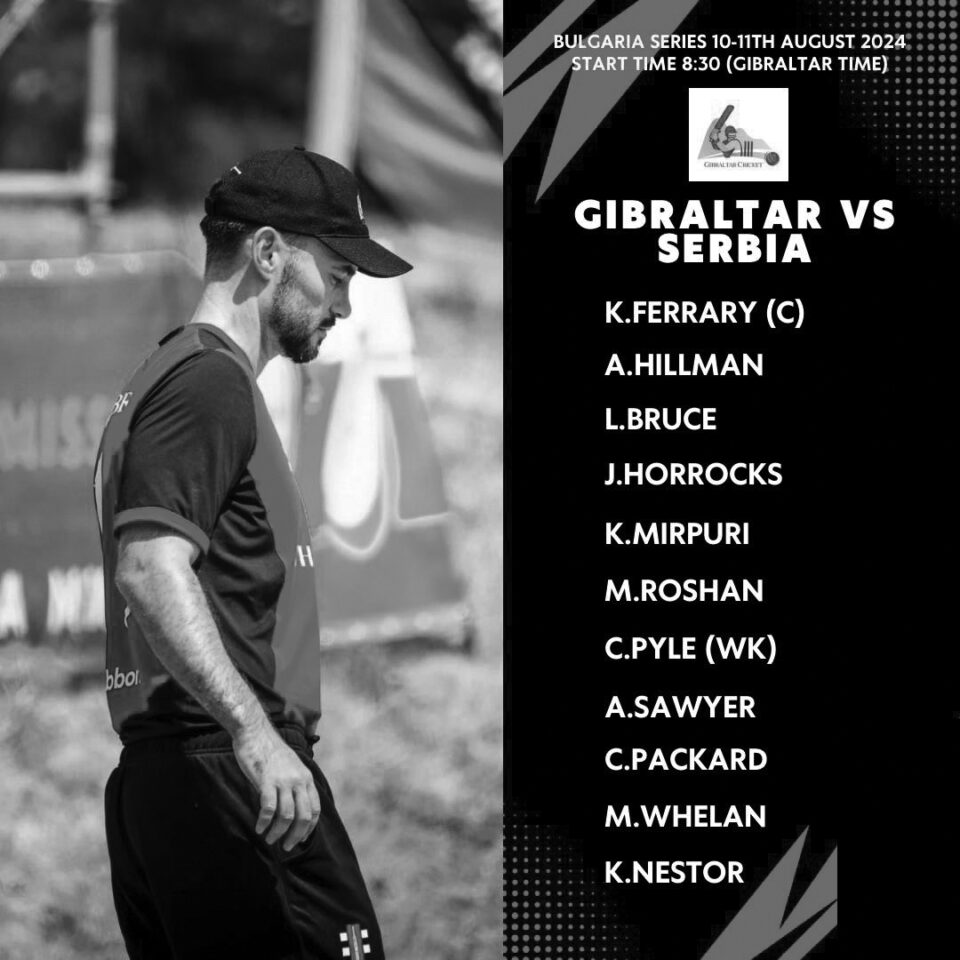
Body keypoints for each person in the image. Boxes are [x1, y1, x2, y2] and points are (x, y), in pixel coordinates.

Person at [93, 147, 412, 959]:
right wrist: (254, 735)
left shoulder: (175, 375)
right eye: (337, 276)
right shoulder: (208, 382)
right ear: (269, 253)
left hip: (179, 774)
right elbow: (149, 568)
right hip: (230, 772)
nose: (345, 305)